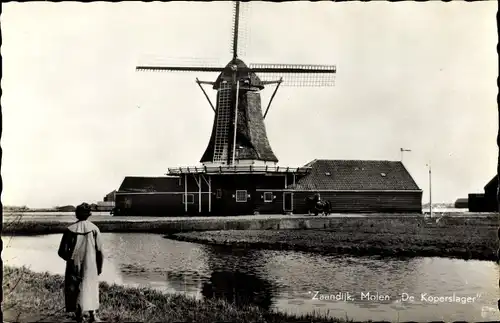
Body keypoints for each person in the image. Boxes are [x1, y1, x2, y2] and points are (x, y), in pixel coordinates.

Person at [58, 202, 104, 323]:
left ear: (76, 214)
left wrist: (71, 259)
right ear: (89, 214)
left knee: (74, 288)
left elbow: (62, 251)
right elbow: (100, 251)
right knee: (91, 287)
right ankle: (93, 315)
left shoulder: (69, 230)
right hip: (91, 265)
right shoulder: (94, 229)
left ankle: (79, 315)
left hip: (74, 264)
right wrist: (99, 267)